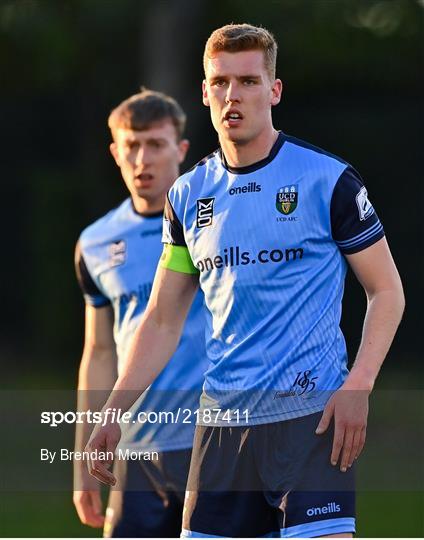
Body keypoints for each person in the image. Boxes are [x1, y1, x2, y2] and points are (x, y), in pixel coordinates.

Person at [85, 24, 405, 538]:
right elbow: (163, 320)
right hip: (221, 428)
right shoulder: (189, 197)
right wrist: (112, 411)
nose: (234, 95)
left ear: (274, 90)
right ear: (205, 92)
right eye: (221, 82)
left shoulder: (328, 180)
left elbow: (386, 290)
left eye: (249, 81)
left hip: (311, 418)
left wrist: (358, 385)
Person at [73, 89, 207, 537]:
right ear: (115, 151)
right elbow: (98, 351)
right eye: (132, 145)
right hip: (136, 450)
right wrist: (83, 457)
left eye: (156, 144)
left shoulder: (215, 223)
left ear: (181, 149)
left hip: (213, 440)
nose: (142, 158)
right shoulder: (95, 242)